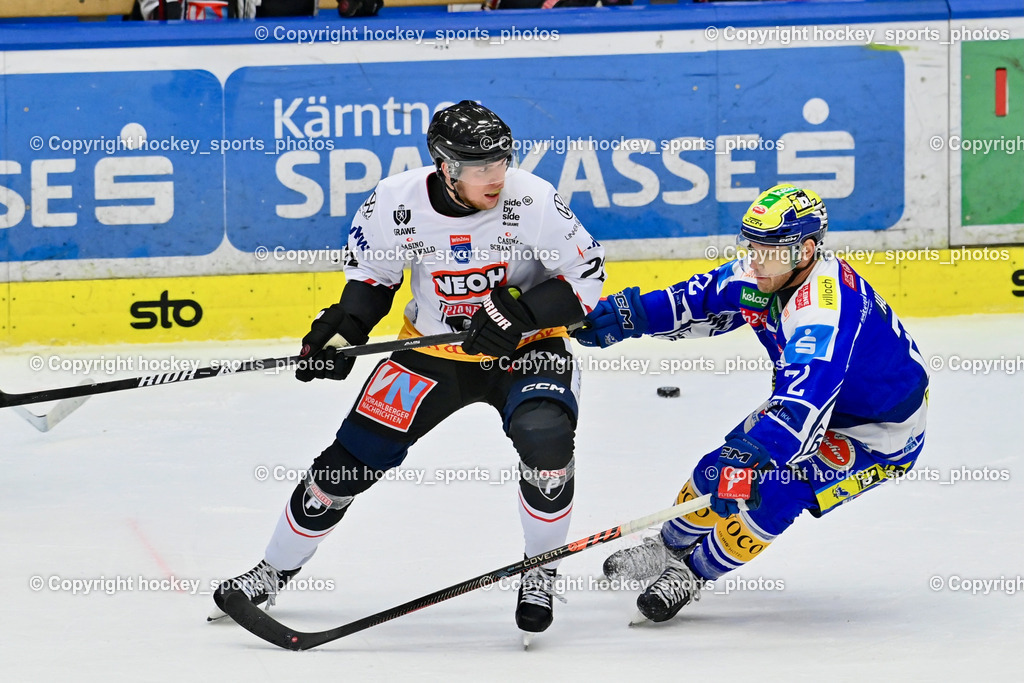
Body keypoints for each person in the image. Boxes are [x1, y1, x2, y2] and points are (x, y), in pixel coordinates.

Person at [212, 100, 606, 635]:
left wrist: (522, 313)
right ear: (446, 167)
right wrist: (344, 329)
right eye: (480, 168)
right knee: (346, 465)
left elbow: (587, 276)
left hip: (526, 349)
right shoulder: (395, 203)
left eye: (502, 163)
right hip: (432, 351)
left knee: (547, 440)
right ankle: (273, 569)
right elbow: (373, 279)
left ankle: (539, 571)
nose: (496, 178)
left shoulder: (532, 199)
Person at [575, 184, 928, 623]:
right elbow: (698, 299)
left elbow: (808, 399)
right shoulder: (764, 272)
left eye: (769, 249)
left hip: (875, 433)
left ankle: (692, 572)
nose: (755, 258)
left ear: (805, 251)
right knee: (714, 468)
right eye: (751, 245)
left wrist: (752, 458)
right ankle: (666, 547)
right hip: (812, 405)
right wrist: (631, 314)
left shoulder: (823, 306)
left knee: (771, 494)